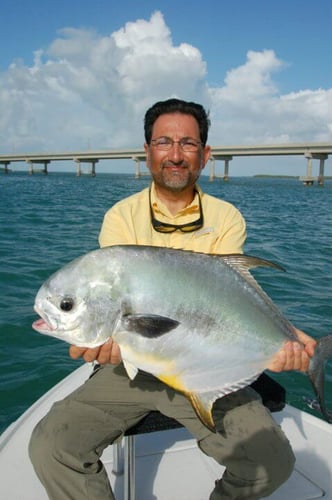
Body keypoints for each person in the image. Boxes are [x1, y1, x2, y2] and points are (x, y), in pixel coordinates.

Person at [29, 98, 316, 499]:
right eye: (164, 142)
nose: (176, 155)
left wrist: (282, 340)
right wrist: (108, 340)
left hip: (202, 364)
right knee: (51, 448)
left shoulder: (226, 217)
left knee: (272, 462)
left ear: (206, 154)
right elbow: (119, 310)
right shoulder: (121, 216)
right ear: (147, 152)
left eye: (189, 143)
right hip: (130, 367)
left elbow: (231, 303)